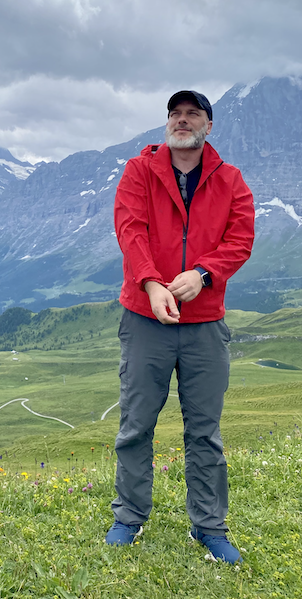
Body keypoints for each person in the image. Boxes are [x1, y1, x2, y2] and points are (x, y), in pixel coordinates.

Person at [104, 90, 255, 563]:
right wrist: (151, 283)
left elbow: (241, 238)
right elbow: (130, 231)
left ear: (209, 126)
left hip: (205, 323)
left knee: (204, 431)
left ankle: (208, 527)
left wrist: (202, 274)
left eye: (193, 114)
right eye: (175, 114)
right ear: (166, 124)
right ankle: (129, 517)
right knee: (136, 425)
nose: (182, 120)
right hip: (145, 318)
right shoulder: (137, 172)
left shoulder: (230, 180)